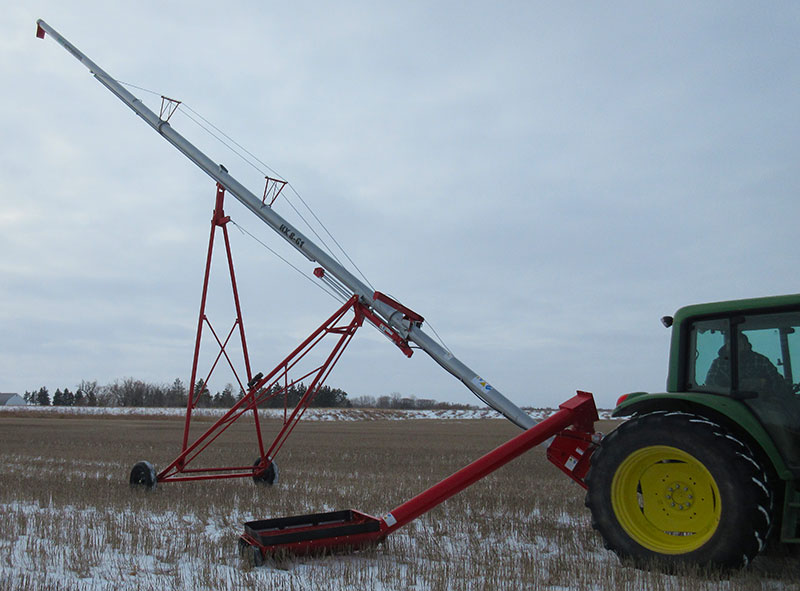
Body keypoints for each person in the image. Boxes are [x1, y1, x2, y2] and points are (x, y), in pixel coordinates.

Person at [706, 333, 789, 394]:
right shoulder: (719, 363)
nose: (734, 348)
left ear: (746, 346)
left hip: (759, 401)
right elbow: (709, 382)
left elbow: (778, 382)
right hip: (728, 401)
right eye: (730, 345)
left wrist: (762, 383)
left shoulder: (760, 361)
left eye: (738, 345)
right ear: (726, 346)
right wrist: (727, 386)